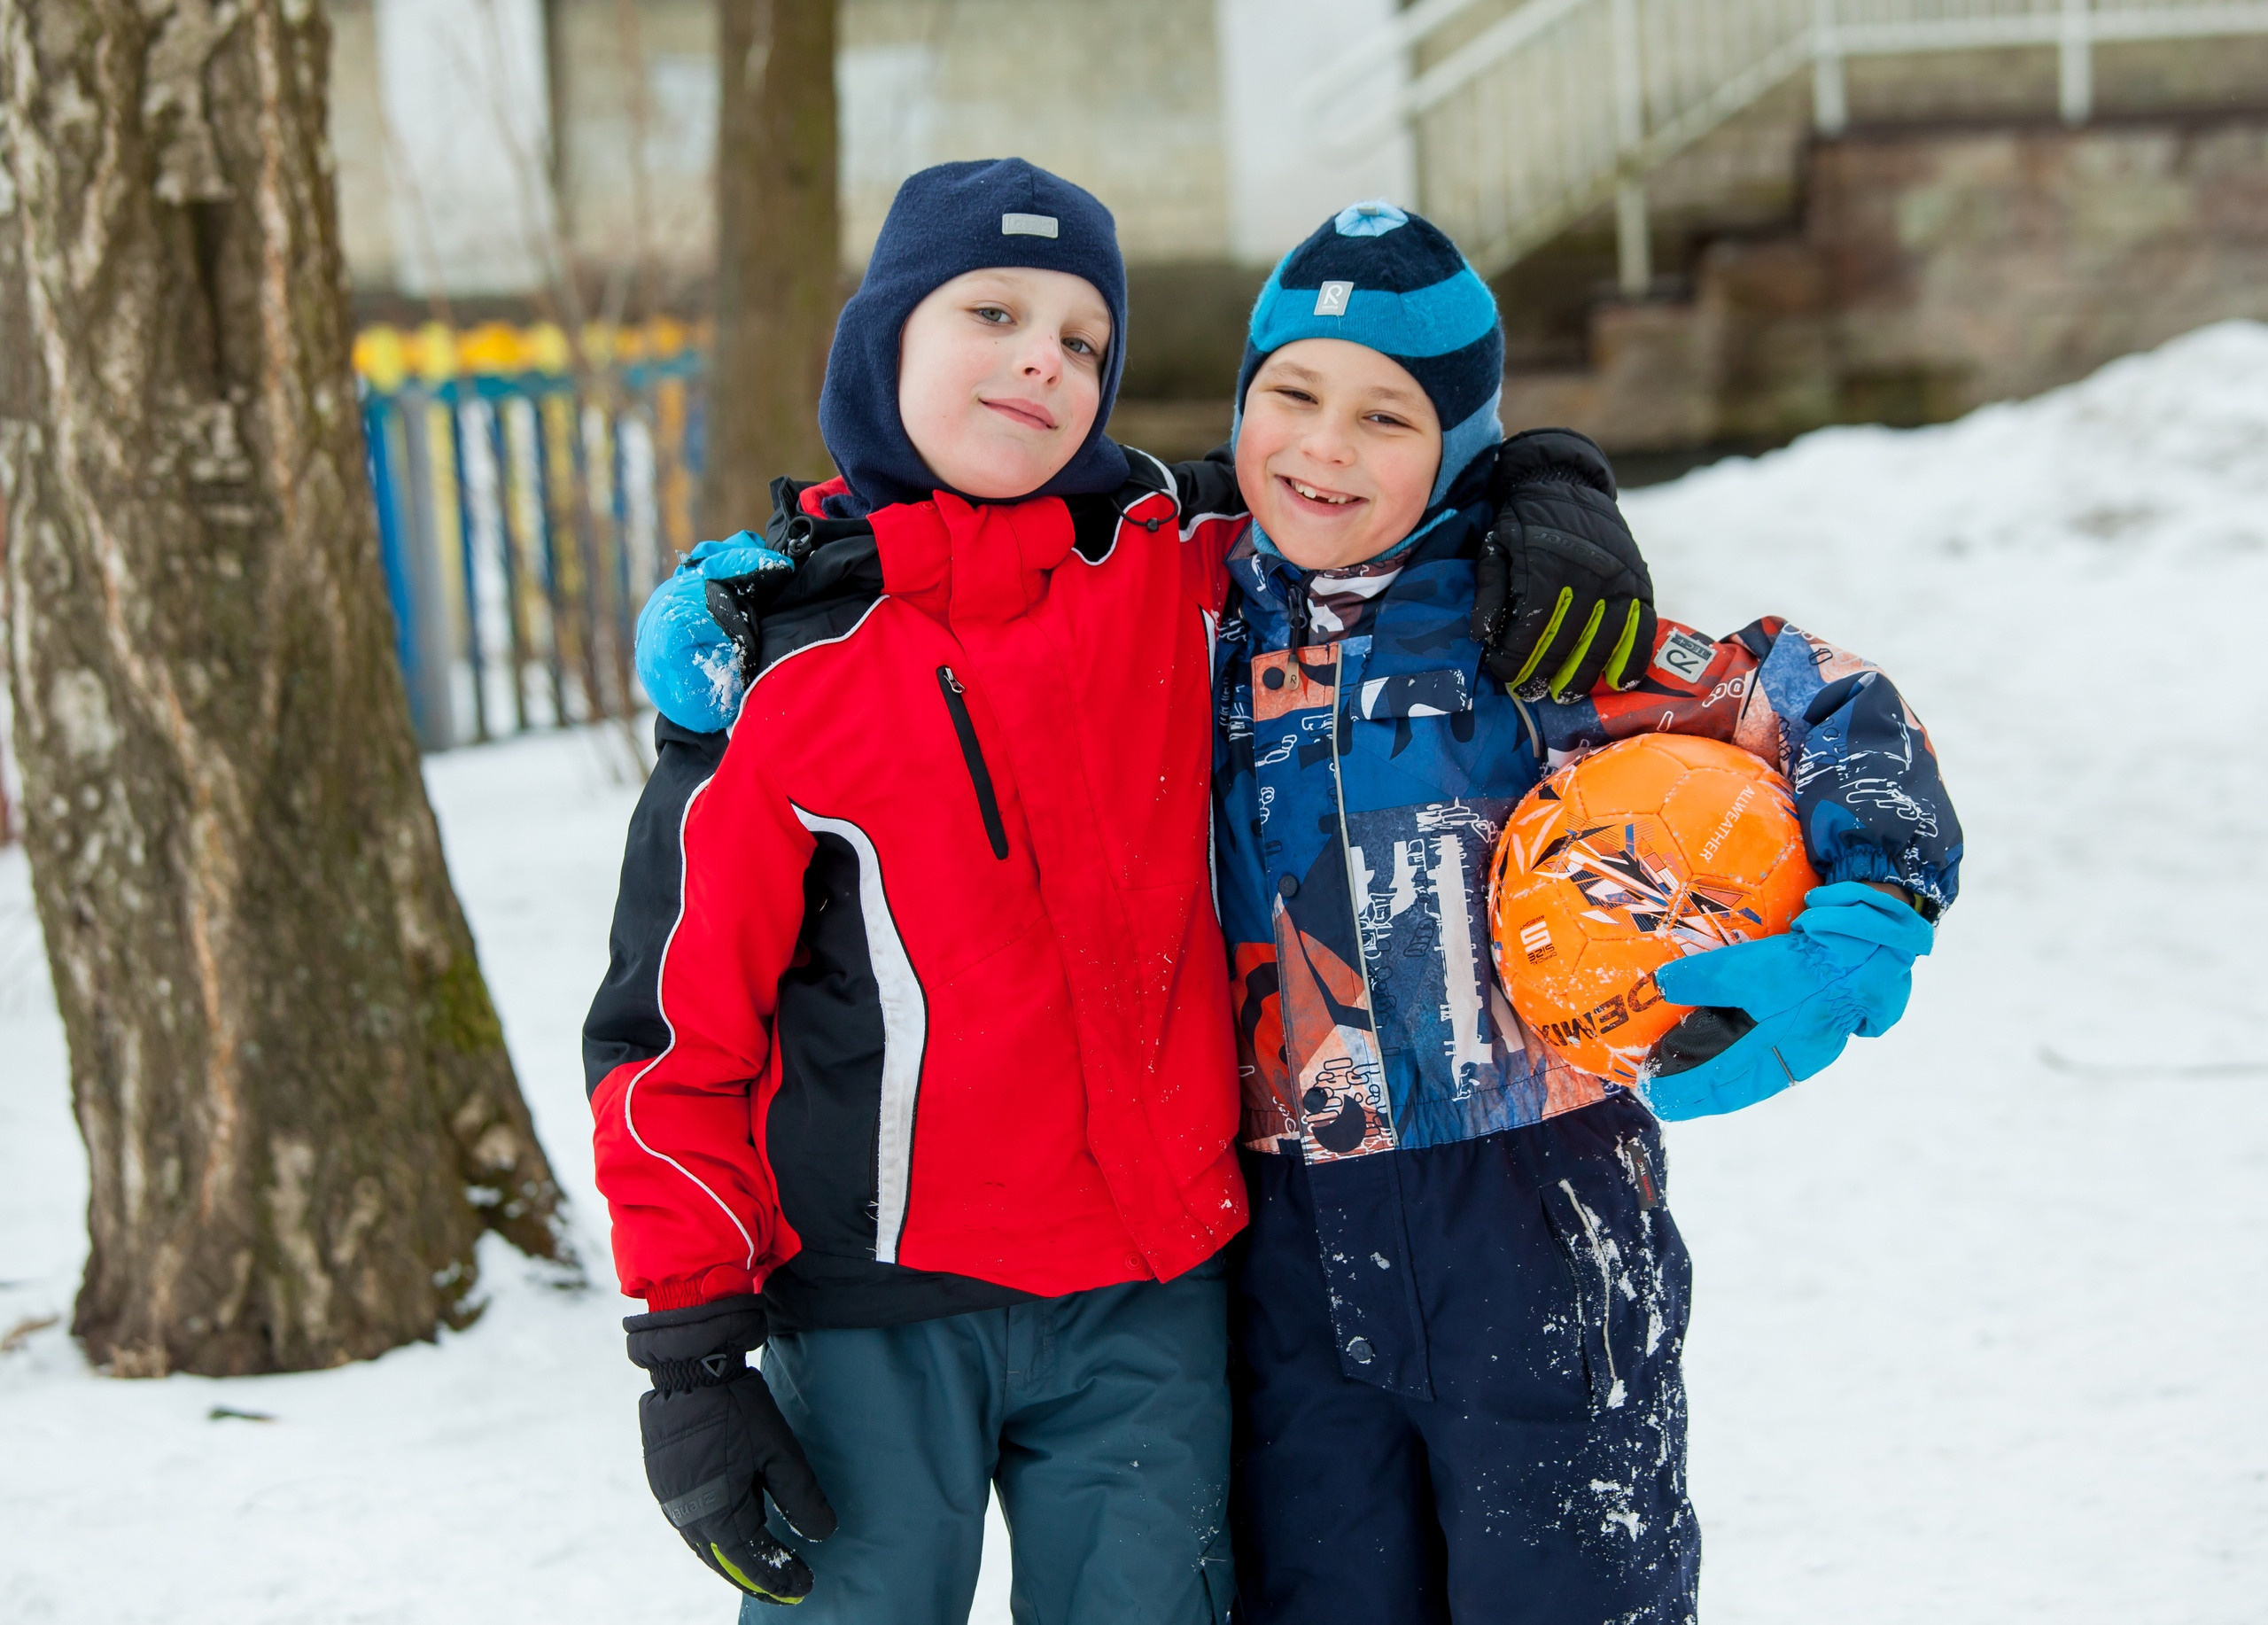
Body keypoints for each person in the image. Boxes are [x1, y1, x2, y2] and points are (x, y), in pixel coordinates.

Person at [579, 159, 1659, 1624]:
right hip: (874, 1308)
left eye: (1084, 339)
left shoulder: (1177, 562)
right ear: (885, 333)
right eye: (993, 311)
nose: (1043, 357)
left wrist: (1547, 481)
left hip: (1146, 1302)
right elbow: (670, 1037)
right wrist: (690, 1354)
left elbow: (1352, 487)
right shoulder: (781, 663)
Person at [1206, 203, 1961, 1622]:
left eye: (1385, 416)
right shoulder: (1195, 627)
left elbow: (1819, 696)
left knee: (1571, 1589)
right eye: (1290, 394)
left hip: (1532, 1218)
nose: (1323, 447)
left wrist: (1876, 897)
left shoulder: (1542, 627)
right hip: (1282, 1243)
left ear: (1461, 446)